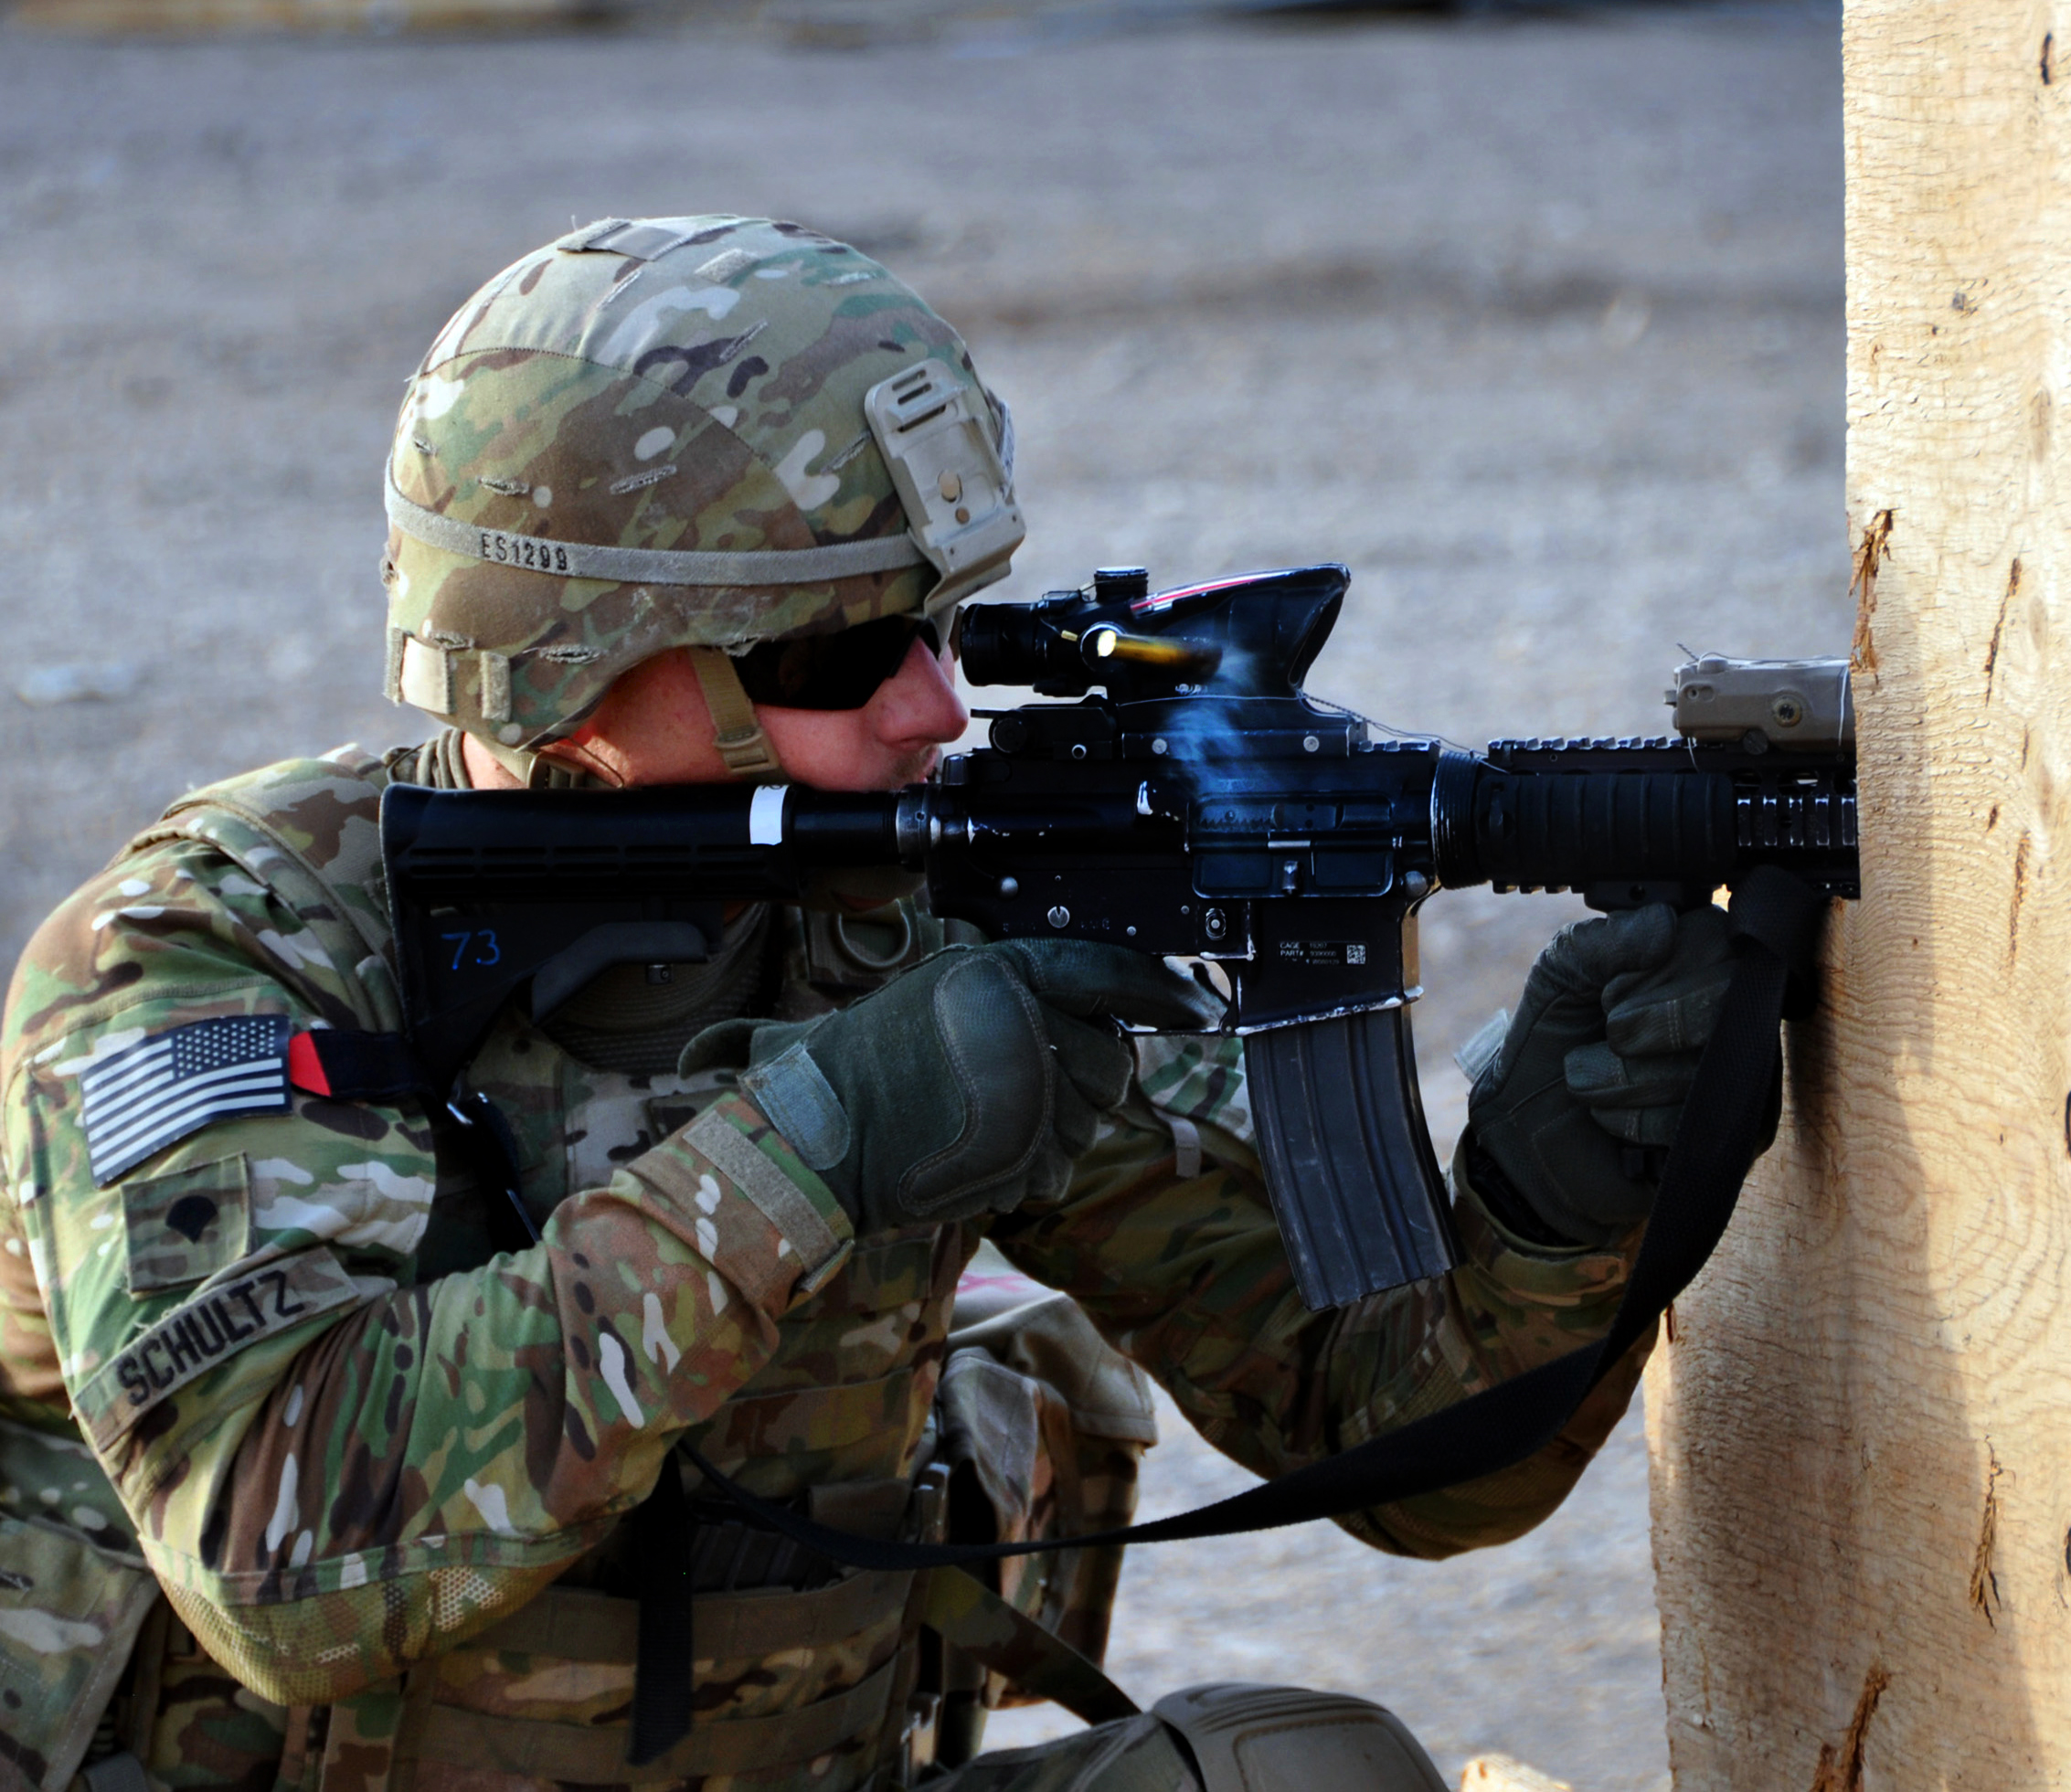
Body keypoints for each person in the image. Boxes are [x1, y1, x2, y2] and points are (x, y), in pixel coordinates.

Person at [0, 217, 1763, 1792]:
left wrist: (1551, 1209)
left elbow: (1401, 1450)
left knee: (1308, 1776)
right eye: (840, 654)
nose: (931, 704)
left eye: (938, 624)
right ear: (578, 667)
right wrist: (812, 1149)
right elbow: (281, 1563)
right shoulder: (216, 954)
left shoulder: (913, 911)